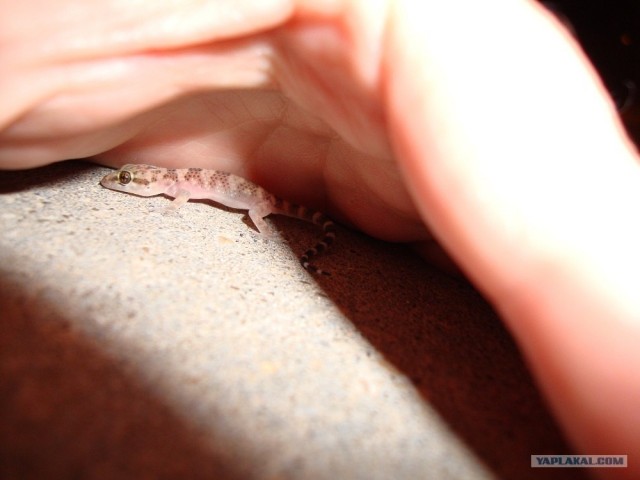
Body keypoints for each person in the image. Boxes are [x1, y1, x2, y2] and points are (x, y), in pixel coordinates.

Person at [1, 1, 638, 477]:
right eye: (136, 183)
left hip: (261, 198)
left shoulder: (180, 183)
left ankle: (310, 241)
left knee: (279, 213)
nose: (134, 185)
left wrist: (258, 217)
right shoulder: (168, 175)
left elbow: (199, 189)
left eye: (134, 183)